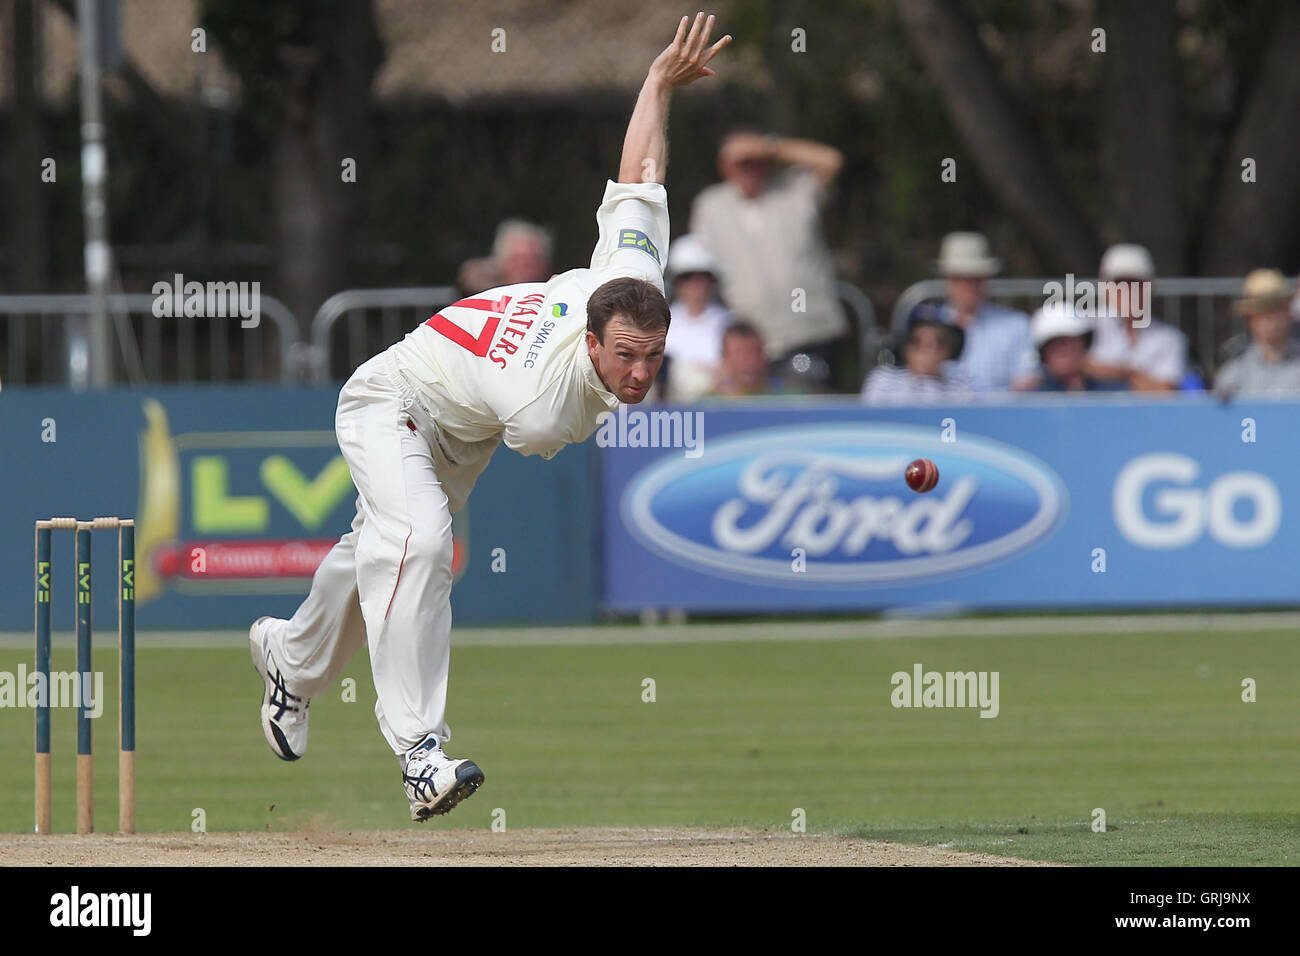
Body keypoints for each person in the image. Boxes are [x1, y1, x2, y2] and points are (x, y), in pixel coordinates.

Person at [247, 14, 731, 821]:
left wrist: (655, 85)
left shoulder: (629, 276)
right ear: (589, 337)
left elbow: (642, 175)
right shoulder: (546, 410)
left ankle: (289, 662)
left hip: (457, 425)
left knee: (378, 551)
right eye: (625, 358)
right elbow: (532, 427)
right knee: (419, 542)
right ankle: (419, 754)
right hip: (391, 399)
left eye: (653, 356)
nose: (640, 373)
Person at [689, 127, 848, 390]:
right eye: (741, 163)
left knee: (816, 419)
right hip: (751, 347)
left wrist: (770, 146)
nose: (749, 169)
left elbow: (832, 161)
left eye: (755, 161)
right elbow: (698, 268)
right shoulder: (710, 206)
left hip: (813, 333)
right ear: (724, 166)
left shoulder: (795, 189)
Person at [924, 232, 1039, 392]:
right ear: (946, 280)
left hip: (1000, 415)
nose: (968, 285)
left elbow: (1027, 381)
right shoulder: (926, 329)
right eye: (959, 278)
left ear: (987, 278)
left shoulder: (1016, 326)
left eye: (975, 277)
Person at [1086, 243, 1187, 391]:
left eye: (1136, 284)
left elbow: (1166, 391)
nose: (1128, 291)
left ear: (1150, 288)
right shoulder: (1084, 326)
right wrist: (1132, 375)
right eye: (1120, 284)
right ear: (1105, 288)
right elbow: (1072, 365)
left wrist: (1108, 374)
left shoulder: (1170, 338)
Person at [662, 233, 731, 402]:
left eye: (703, 277)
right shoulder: (659, 322)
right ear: (676, 281)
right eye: (687, 277)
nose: (695, 284)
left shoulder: (729, 323)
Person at [1214, 269, 1300, 398]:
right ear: (1250, 319)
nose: (1268, 319)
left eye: (1275, 310)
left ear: (1288, 313)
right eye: (1260, 312)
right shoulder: (1232, 375)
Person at [861, 315, 970, 403]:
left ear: (948, 351)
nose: (928, 350)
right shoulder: (883, 380)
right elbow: (872, 423)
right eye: (916, 341)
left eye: (940, 341)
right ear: (906, 348)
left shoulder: (960, 389)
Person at [1030, 302, 1126, 392]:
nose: (1064, 349)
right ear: (1043, 353)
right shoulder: (1031, 400)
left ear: (1085, 343)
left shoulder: (1113, 393)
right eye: (1055, 344)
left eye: (1070, 340)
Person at [457, 220, 554, 294]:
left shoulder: (554, 294)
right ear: (500, 262)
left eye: (533, 259)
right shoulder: (488, 295)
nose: (524, 267)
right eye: (516, 259)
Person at [709, 321, 794, 397]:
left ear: (764, 355)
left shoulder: (788, 399)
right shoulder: (706, 406)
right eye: (738, 353)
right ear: (724, 358)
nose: (746, 360)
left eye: (753, 352)